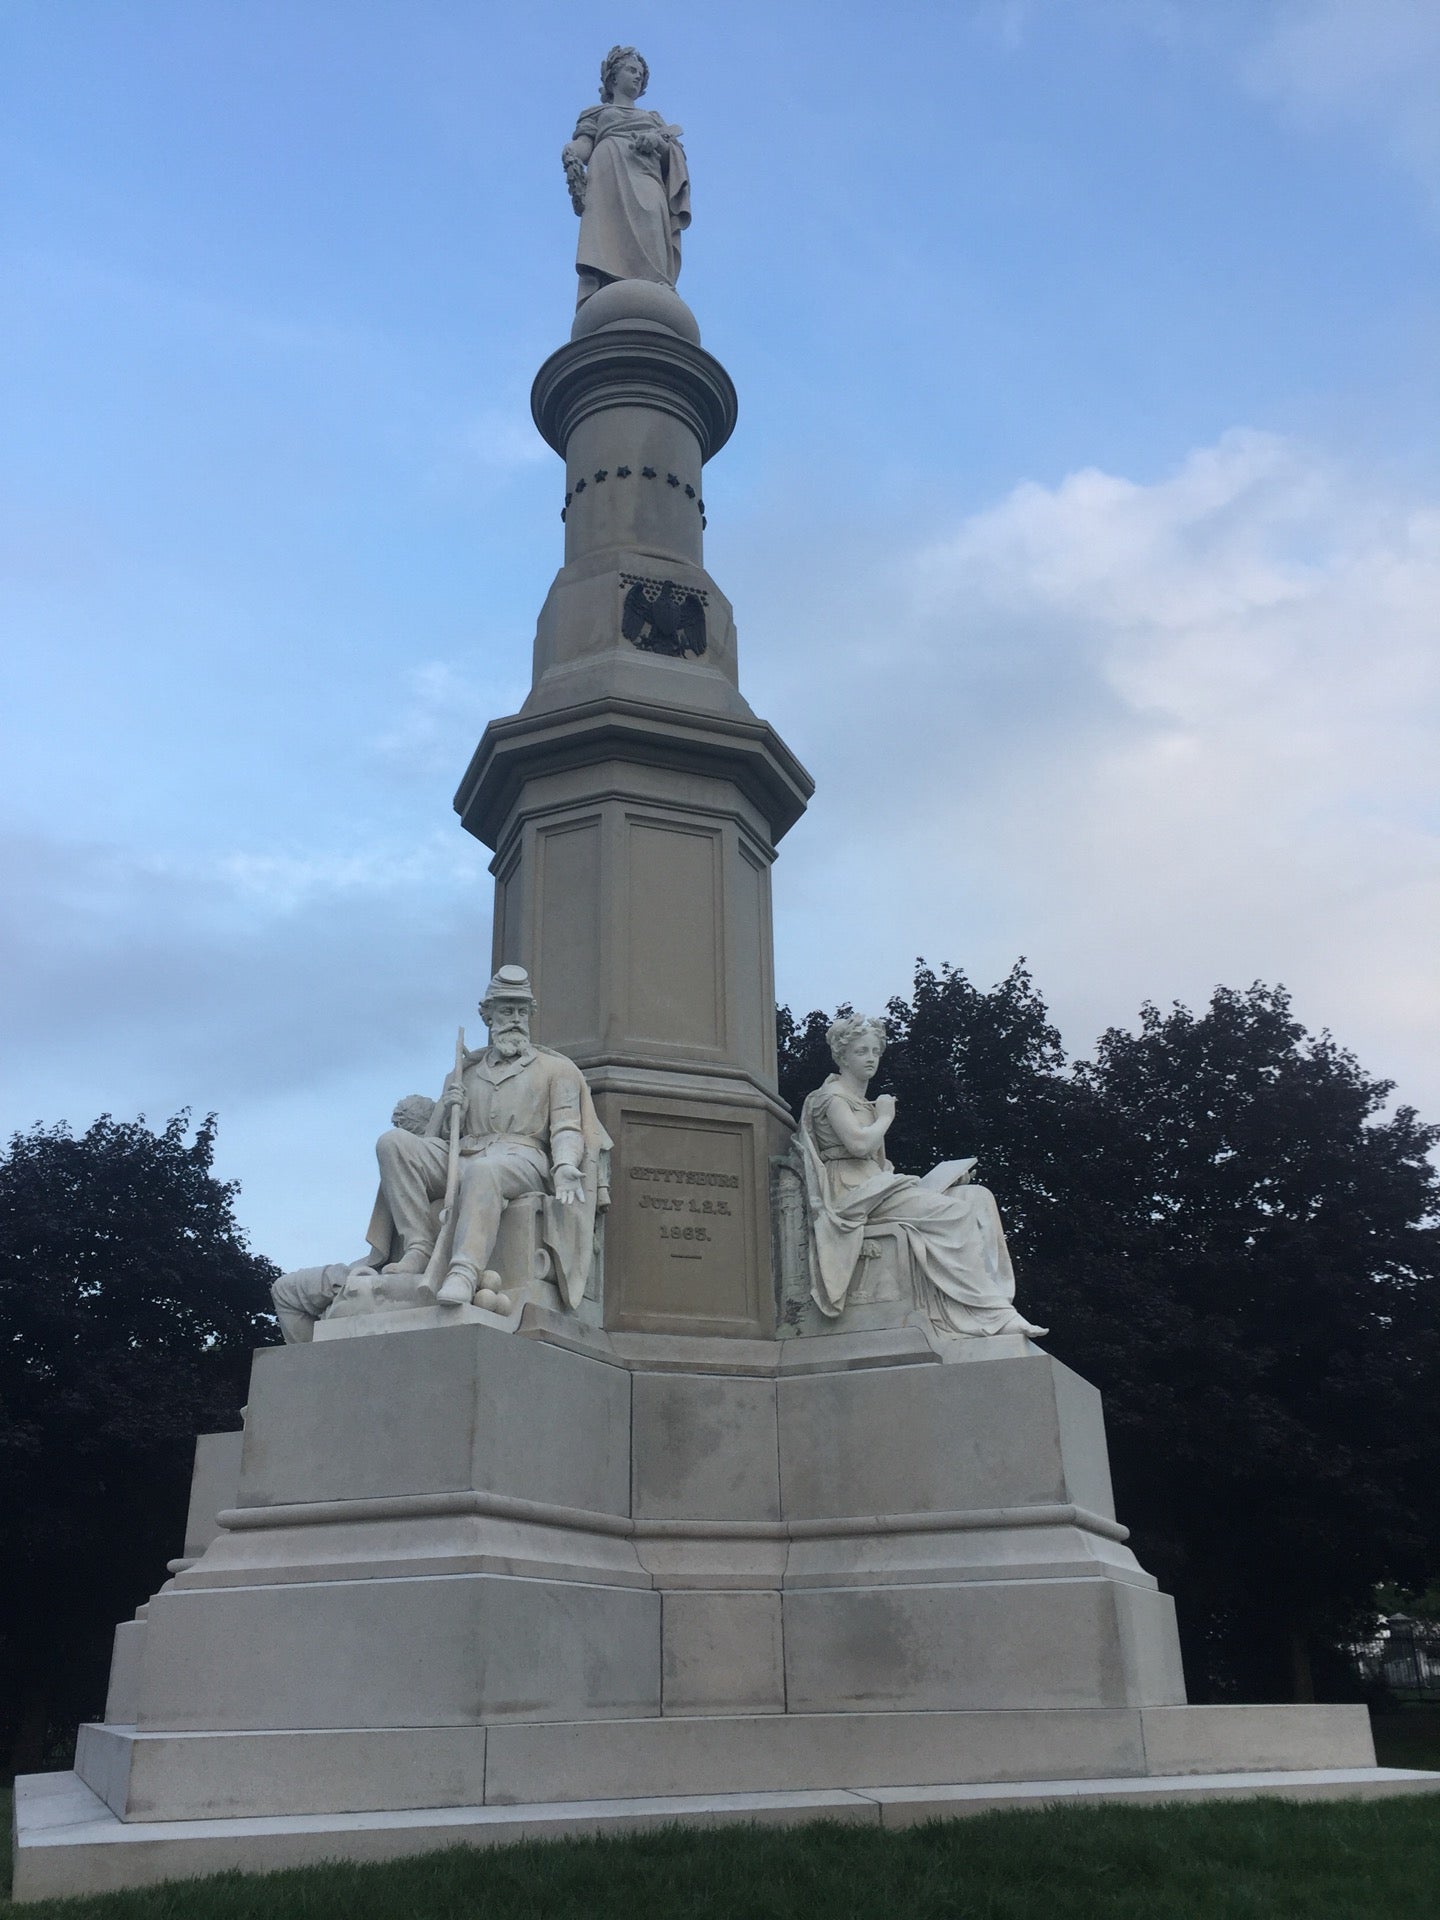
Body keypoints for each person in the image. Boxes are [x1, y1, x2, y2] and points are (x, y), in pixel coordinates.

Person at [369, 965, 608, 1308]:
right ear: (488, 1016)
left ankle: (463, 1272)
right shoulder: (464, 1072)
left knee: (486, 1171)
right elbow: (443, 1137)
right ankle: (418, 1247)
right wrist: (452, 1109)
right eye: (506, 1010)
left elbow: (567, 1127)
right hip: (465, 1155)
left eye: (521, 1011)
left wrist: (567, 1164)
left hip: (522, 1159)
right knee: (393, 1143)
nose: (515, 1019)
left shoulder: (557, 1070)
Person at [798, 1015, 1048, 1340]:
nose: (871, 1057)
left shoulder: (862, 1100)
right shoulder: (831, 1097)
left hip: (880, 1186)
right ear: (843, 1056)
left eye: (875, 1050)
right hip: (852, 1191)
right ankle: (994, 1316)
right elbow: (859, 1146)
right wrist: (886, 1117)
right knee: (954, 1213)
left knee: (976, 1197)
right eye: (862, 1051)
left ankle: (994, 1302)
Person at [562, 45, 690, 306]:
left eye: (640, 74)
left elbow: (671, 154)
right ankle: (608, 283)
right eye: (631, 70)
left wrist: (657, 142)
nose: (637, 77)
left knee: (653, 216)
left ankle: (656, 282)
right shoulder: (596, 114)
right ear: (613, 76)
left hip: (645, 176)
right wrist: (571, 152)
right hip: (606, 179)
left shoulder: (653, 119)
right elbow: (585, 146)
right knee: (607, 233)